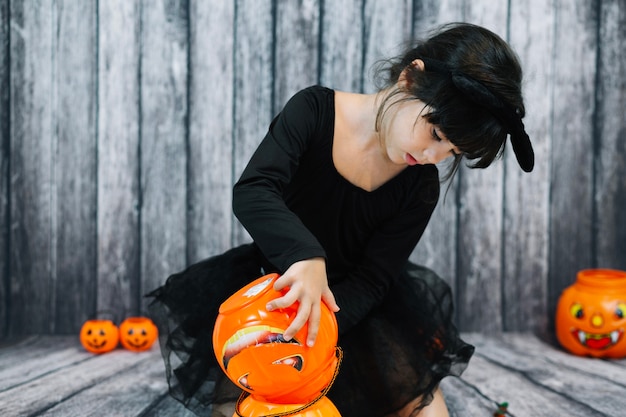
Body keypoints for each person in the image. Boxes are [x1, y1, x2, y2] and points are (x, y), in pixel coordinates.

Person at [148, 22, 534, 417]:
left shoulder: (419, 185)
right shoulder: (314, 111)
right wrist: (305, 257)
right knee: (249, 405)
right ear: (409, 77)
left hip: (353, 309)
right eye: (436, 134)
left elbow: (374, 279)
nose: (436, 156)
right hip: (278, 297)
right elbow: (253, 188)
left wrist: (322, 328)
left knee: (427, 410)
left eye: (452, 151)